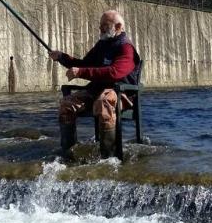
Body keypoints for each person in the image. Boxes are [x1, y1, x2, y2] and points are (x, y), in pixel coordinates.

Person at [49, 10, 142, 158]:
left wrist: (80, 72)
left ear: (118, 27)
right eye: (100, 25)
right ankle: (68, 154)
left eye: (105, 25)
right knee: (66, 104)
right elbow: (85, 64)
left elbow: (114, 72)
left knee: (103, 102)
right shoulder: (102, 44)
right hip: (96, 91)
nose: (100, 29)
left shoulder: (126, 48)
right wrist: (61, 57)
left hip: (121, 93)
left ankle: (109, 156)